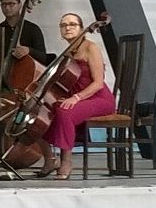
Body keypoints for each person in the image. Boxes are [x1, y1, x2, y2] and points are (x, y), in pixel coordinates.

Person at [39, 13, 116, 179]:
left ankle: (66, 161)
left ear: (81, 29)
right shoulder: (68, 52)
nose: (67, 28)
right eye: (63, 25)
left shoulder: (91, 48)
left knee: (64, 111)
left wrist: (76, 98)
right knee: (41, 112)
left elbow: (98, 83)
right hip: (80, 98)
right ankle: (50, 159)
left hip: (99, 99)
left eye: (72, 24)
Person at [0, 0, 49, 68]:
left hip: (26, 73)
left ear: (20, 5)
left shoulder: (33, 29)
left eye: (11, 4)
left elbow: (44, 58)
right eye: (4, 4)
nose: (7, 7)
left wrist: (28, 50)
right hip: (2, 74)